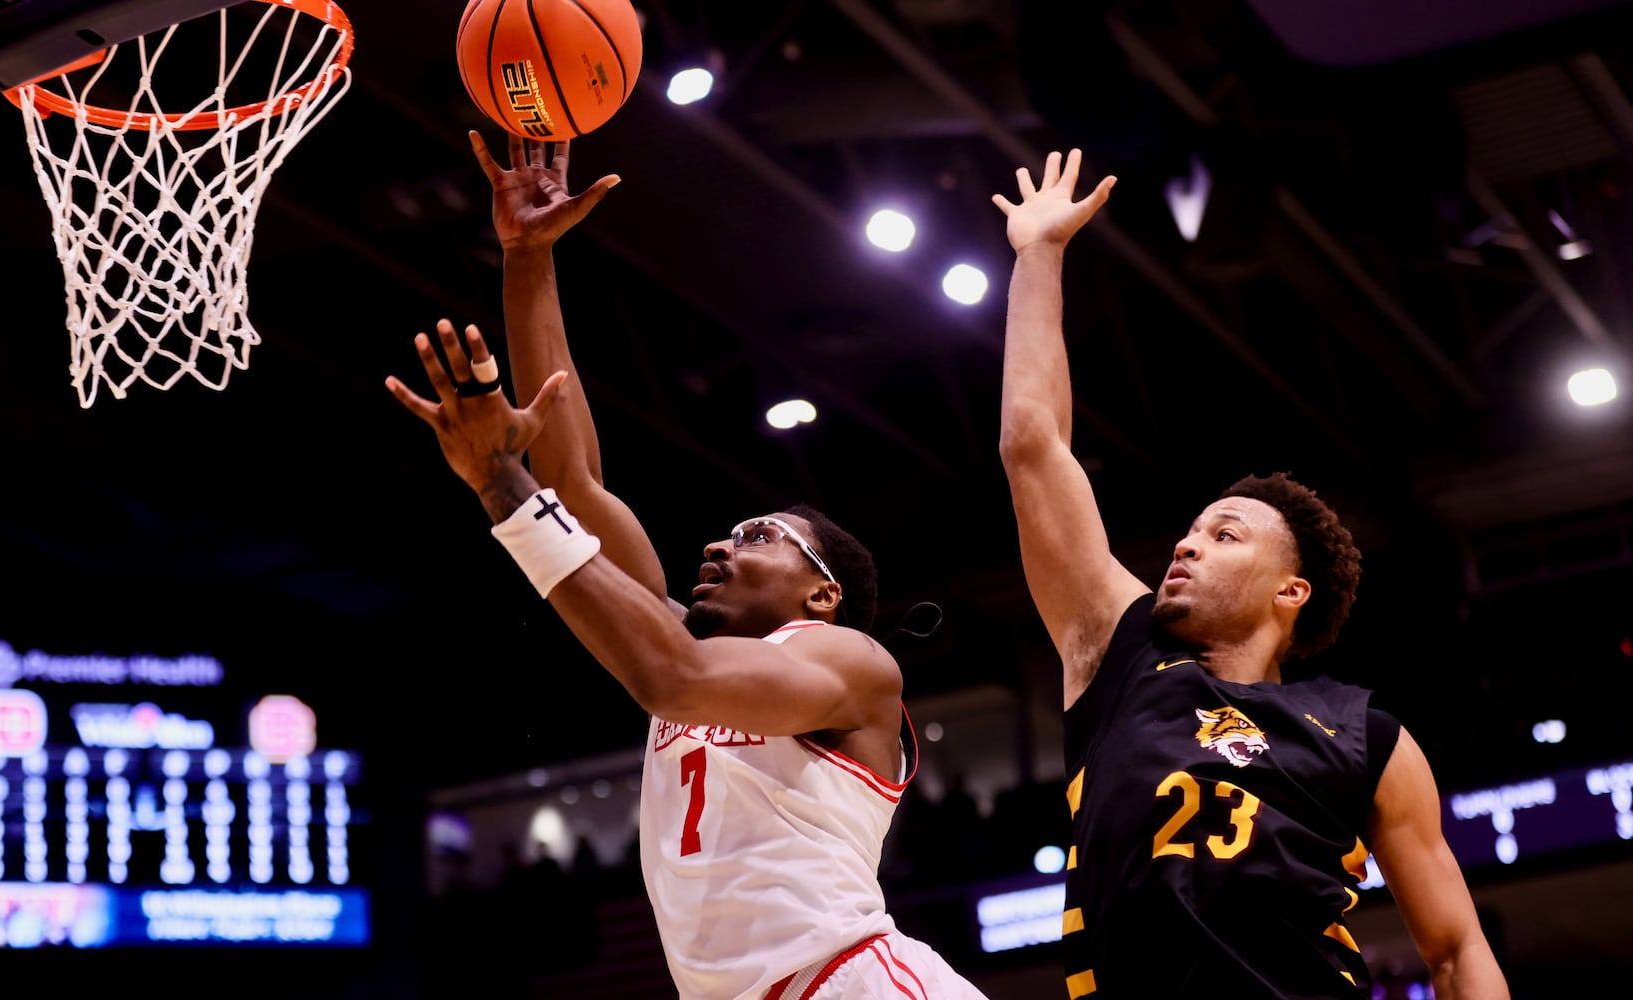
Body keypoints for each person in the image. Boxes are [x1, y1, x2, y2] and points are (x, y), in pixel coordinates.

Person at [381, 132, 992, 1000]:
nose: (719, 545)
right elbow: (573, 481)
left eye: (757, 536)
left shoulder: (850, 662)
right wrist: (527, 258)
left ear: (824, 592)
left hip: (852, 982)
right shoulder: (675, 638)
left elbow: (670, 678)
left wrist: (500, 487)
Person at [992, 149, 1510, 999]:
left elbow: (1455, 948)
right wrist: (1038, 253)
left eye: (1223, 535)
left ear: (1290, 591)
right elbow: (1031, 444)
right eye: (1190, 532)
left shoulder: (1364, 733)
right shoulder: (1117, 655)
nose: (1186, 546)